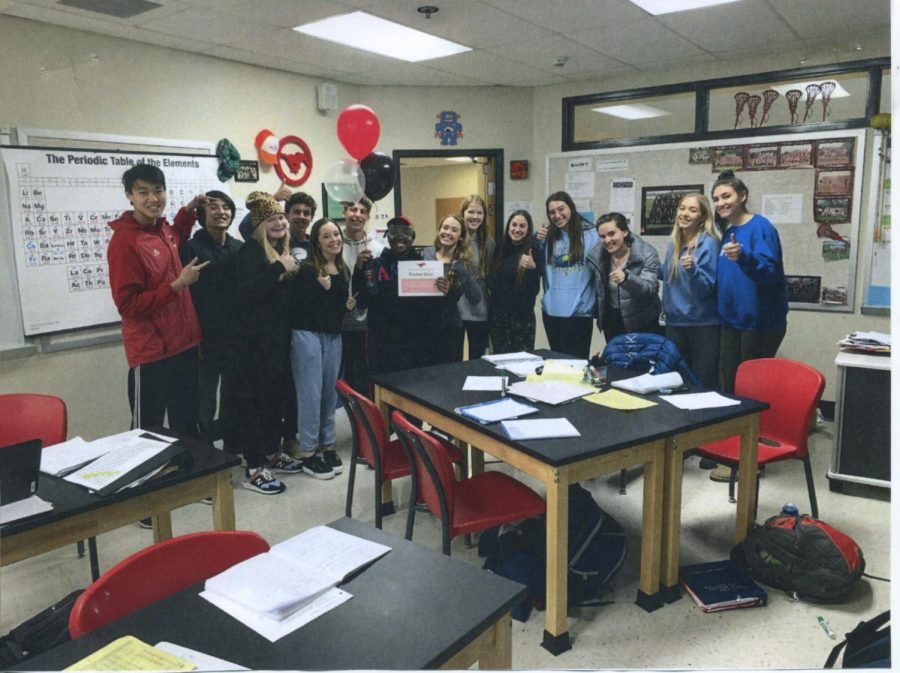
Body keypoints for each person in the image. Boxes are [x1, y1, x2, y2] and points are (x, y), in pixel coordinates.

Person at [108, 164, 207, 440]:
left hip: (184, 346)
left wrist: (189, 211)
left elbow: (177, 236)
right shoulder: (124, 242)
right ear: (129, 196)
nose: (153, 198)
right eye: (143, 192)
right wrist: (178, 286)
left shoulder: (162, 230)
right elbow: (128, 305)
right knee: (146, 433)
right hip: (152, 354)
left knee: (186, 424)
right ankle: (143, 484)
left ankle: (186, 482)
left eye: (158, 190)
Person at [229, 192, 303, 495]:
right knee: (254, 407)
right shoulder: (250, 253)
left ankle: (273, 453)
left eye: (281, 218)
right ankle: (254, 466)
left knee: (275, 402)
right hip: (251, 349)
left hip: (277, 345)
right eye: (272, 219)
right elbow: (246, 295)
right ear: (259, 225)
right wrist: (279, 270)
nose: (280, 222)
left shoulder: (279, 252)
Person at [290, 218, 356, 479]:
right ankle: (309, 452)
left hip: (333, 336)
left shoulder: (342, 269)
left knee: (330, 392)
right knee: (310, 394)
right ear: (316, 241)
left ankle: (328, 445)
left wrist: (346, 305)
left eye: (336, 235)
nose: (334, 240)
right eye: (327, 236)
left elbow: (335, 309)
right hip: (307, 336)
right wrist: (320, 290)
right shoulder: (308, 270)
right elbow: (299, 306)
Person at [713, 170, 788, 393]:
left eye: (726, 196)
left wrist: (745, 256)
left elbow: (770, 273)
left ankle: (755, 429)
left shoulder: (760, 227)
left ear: (742, 196)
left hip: (758, 324)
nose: (720, 203)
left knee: (752, 389)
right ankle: (731, 428)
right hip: (732, 322)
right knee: (729, 383)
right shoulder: (729, 231)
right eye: (716, 199)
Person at [179, 190, 242, 446]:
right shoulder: (192, 247)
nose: (221, 212)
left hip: (234, 337)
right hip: (203, 338)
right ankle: (204, 451)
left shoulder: (238, 247)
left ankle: (232, 446)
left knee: (232, 395)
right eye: (214, 207)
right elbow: (186, 297)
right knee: (203, 399)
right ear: (202, 215)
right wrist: (196, 338)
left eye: (226, 207)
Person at [355, 216, 432, 376]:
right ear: (387, 236)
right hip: (382, 340)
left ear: (413, 237)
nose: (400, 237)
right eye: (394, 232)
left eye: (406, 233)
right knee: (382, 385)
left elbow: (429, 307)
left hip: (414, 340)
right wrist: (359, 269)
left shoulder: (424, 267)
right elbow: (362, 301)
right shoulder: (375, 265)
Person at [659, 193, 721, 389]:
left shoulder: (709, 243)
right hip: (675, 323)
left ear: (702, 217)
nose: (684, 214)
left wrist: (693, 270)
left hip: (702, 325)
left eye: (692, 210)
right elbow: (671, 277)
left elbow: (707, 289)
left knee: (702, 382)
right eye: (682, 208)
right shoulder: (674, 243)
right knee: (675, 382)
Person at [534, 191, 600, 359]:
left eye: (561, 209)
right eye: (551, 212)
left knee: (577, 366)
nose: (557, 215)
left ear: (571, 207)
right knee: (557, 366)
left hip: (580, 313)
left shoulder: (593, 234)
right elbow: (531, 264)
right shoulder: (546, 237)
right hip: (552, 312)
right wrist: (535, 240)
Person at [279, 191, 318, 459]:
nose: (302, 216)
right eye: (297, 212)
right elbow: (249, 227)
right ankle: (283, 439)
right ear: (287, 214)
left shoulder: (313, 244)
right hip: (281, 323)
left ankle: (299, 437)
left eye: (307, 213)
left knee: (303, 387)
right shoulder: (277, 239)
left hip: (308, 323)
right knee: (285, 387)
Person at [587, 212, 661, 345]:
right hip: (612, 320)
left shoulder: (647, 253)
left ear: (625, 231)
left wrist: (627, 278)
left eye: (611, 234)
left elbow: (649, 290)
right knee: (616, 361)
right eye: (602, 236)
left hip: (642, 320)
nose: (607, 240)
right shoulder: (597, 256)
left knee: (640, 363)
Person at [340, 196, 386, 396]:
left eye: (362, 211)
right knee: (343, 381)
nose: (356, 215)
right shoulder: (333, 243)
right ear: (344, 212)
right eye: (352, 209)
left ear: (367, 217)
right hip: (338, 324)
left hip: (366, 325)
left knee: (364, 379)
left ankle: (365, 425)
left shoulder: (377, 249)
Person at [423, 214, 482, 365]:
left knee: (450, 374)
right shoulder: (427, 255)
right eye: (445, 227)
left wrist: (462, 271)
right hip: (426, 325)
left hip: (451, 328)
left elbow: (475, 298)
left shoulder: (464, 262)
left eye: (454, 230)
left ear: (461, 237)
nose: (448, 232)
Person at [487, 209, 543, 354]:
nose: (517, 229)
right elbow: (492, 282)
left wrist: (532, 268)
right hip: (498, 318)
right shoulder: (500, 248)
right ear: (508, 227)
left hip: (522, 319)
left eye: (522, 226)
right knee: (500, 362)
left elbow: (534, 290)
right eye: (514, 225)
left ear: (528, 229)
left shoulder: (534, 250)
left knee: (522, 364)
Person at [458, 195, 495, 359]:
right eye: (470, 212)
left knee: (477, 358)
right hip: (456, 309)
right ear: (463, 213)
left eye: (479, 213)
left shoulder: (488, 243)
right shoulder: (454, 238)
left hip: (479, 308)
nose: (474, 216)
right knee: (453, 358)